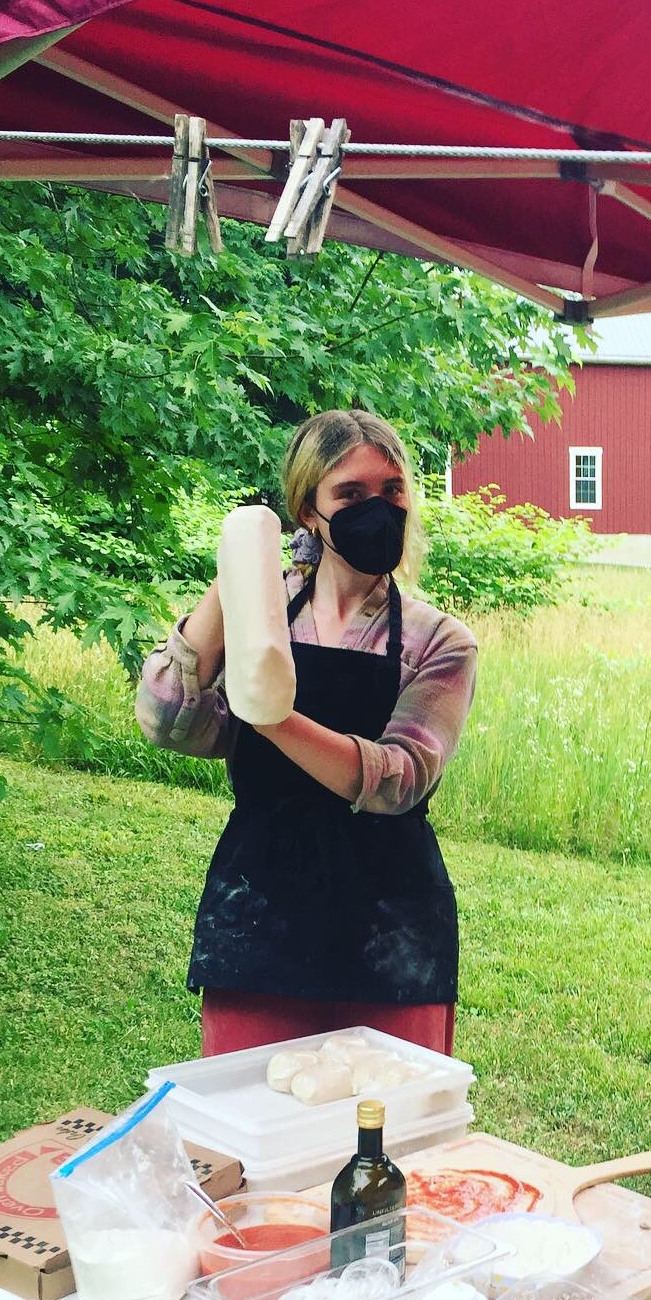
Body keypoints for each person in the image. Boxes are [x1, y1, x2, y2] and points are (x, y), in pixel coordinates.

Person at [137, 408, 476, 1057]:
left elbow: (398, 781)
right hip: (261, 904)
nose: (376, 509)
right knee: (249, 1138)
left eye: (392, 491)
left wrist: (273, 718)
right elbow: (169, 719)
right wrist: (241, 569)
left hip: (392, 923)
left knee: (390, 1140)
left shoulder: (440, 641)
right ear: (308, 512)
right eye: (350, 494)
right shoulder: (264, 621)